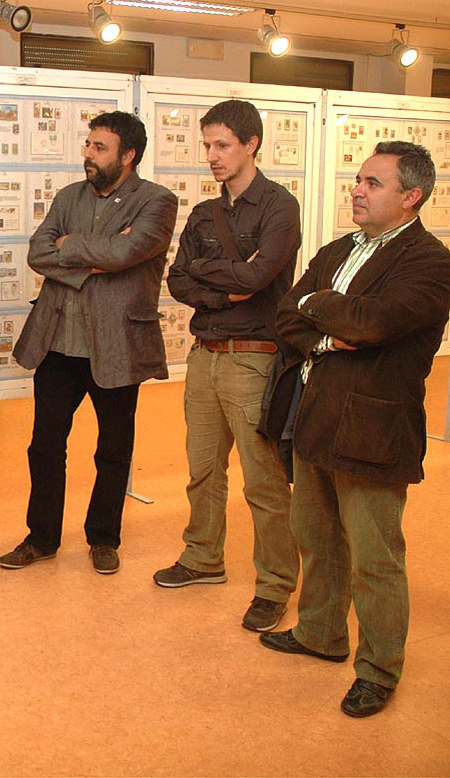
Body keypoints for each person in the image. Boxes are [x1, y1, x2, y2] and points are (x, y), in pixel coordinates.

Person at [262, 141, 450, 718]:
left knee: (375, 556)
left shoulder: (429, 261)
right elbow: (286, 315)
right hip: (316, 415)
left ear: (411, 196)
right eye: (358, 179)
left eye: (373, 183)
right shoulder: (338, 249)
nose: (357, 189)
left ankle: (378, 668)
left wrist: (319, 304)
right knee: (316, 535)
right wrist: (327, 328)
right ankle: (320, 633)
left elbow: (374, 323)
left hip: (373, 425)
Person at [1, 111, 177, 574]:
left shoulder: (157, 201)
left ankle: (103, 538)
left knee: (113, 450)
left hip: (117, 345)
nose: (88, 154)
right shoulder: (69, 196)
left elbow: (127, 252)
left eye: (100, 147)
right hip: (57, 342)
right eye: (88, 144)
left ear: (128, 155)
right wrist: (97, 255)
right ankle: (41, 539)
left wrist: (70, 246)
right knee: (44, 446)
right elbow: (38, 253)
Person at [157, 99, 300, 632]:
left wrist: (212, 273)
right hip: (204, 356)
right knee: (203, 470)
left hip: (255, 358)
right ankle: (203, 558)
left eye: (222, 145)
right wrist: (224, 287)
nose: (212, 155)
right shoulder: (203, 213)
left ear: (251, 144)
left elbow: (258, 279)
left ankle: (275, 584)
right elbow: (178, 279)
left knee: (263, 481)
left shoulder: (279, 207)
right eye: (207, 145)